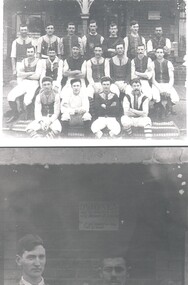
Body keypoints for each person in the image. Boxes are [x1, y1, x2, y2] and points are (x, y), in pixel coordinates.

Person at [6, 46, 43, 123]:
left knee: (27, 99)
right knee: (11, 95)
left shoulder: (39, 61)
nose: (30, 54)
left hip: (34, 83)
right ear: (26, 53)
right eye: (28, 52)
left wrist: (25, 74)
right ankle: (15, 114)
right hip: (24, 82)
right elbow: (19, 74)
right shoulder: (24, 61)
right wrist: (30, 73)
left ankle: (29, 115)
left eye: (31, 52)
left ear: (34, 53)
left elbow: (37, 76)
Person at [151, 47, 179, 119]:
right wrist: (160, 89)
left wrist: (168, 89)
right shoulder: (152, 63)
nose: (159, 54)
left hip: (167, 84)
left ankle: (168, 106)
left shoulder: (168, 63)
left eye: (161, 52)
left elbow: (171, 78)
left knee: (175, 99)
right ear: (155, 54)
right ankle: (160, 107)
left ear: (163, 54)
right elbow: (153, 79)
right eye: (158, 52)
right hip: (156, 84)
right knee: (156, 98)